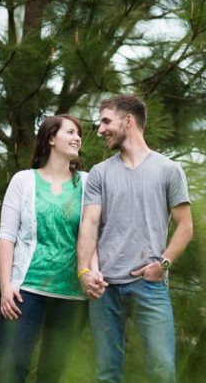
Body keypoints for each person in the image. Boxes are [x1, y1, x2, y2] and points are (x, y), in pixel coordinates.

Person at [77, 95, 194, 383]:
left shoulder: (169, 170)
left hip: (149, 285)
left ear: (128, 121)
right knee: (107, 373)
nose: (100, 129)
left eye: (106, 121)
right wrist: (84, 271)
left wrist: (162, 265)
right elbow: (89, 223)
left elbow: (186, 227)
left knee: (162, 369)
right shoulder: (99, 174)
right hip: (105, 289)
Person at [0, 114, 94, 382]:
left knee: (52, 374)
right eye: (70, 132)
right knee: (11, 370)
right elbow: (6, 236)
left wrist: (91, 273)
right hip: (25, 291)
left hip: (72, 296)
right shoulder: (23, 181)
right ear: (51, 138)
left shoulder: (87, 183)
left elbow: (93, 233)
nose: (77, 138)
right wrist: (6, 287)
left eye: (79, 134)